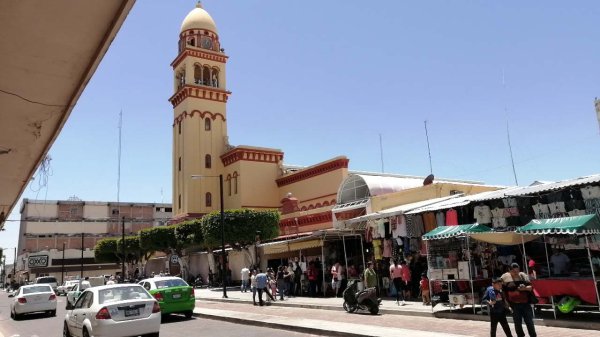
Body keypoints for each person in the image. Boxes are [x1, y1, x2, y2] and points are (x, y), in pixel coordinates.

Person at [501, 263, 537, 337]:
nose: (516, 273)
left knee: (529, 322)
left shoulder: (522, 276)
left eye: (517, 270)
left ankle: (533, 335)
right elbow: (503, 291)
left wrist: (524, 288)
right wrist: (506, 302)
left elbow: (531, 287)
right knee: (517, 323)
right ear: (510, 271)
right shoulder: (505, 277)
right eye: (514, 271)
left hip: (525, 304)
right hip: (514, 305)